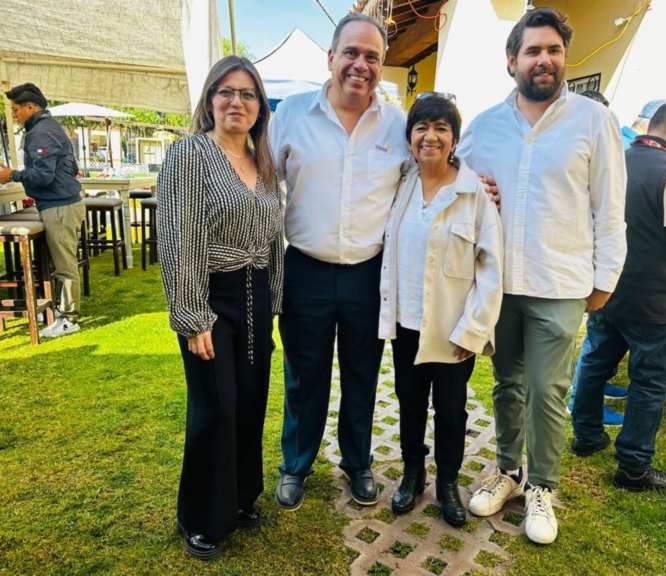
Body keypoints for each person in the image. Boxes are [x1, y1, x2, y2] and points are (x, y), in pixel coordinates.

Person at [457, 8, 627, 545]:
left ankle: (542, 487)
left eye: (553, 50)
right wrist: (473, 192)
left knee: (548, 392)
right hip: (500, 283)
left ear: (564, 58)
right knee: (507, 383)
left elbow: (610, 207)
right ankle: (509, 471)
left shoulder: (593, 121)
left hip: (560, 281)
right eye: (533, 51)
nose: (544, 59)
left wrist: (605, 278)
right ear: (512, 61)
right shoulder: (484, 126)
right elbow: (448, 185)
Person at [269, 14, 410, 512]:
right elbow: (259, 180)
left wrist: (477, 184)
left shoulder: (398, 125)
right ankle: (296, 464)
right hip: (304, 270)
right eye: (351, 52)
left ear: (381, 65)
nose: (360, 64)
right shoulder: (291, 114)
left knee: (362, 375)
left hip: (368, 275)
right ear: (331, 58)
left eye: (372, 56)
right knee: (303, 376)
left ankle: (357, 462)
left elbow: (426, 180)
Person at [156, 56, 283, 560]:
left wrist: (274, 300)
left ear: (260, 107)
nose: (237, 102)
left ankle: (242, 496)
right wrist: (191, 316)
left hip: (257, 296)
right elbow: (178, 238)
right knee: (216, 407)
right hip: (211, 295)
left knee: (251, 401)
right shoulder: (190, 155)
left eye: (248, 94)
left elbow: (273, 242)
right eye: (226, 91)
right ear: (210, 99)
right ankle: (202, 516)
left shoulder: (263, 162)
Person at [571, 100, 666, 492]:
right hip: (655, 298)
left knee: (595, 362)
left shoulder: (614, 161)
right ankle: (633, 467)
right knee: (648, 383)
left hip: (608, 288)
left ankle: (586, 435)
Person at [379, 95, 503, 527]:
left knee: (451, 410)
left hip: (453, 330)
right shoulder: (402, 184)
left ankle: (447, 482)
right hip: (406, 322)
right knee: (409, 402)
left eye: (441, 128)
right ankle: (412, 474)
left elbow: (491, 268)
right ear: (410, 137)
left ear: (454, 140)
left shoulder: (473, 194)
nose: (430, 136)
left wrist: (474, 329)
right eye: (421, 127)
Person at [0, 83, 85, 337]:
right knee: (61, 262)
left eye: (16, 110)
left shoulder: (41, 132)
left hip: (60, 205)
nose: (15, 115)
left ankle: (69, 319)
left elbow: (43, 176)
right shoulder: (50, 127)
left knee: (65, 266)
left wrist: (12, 174)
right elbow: (71, 168)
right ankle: (59, 310)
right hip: (62, 203)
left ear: (30, 107)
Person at [569, 89, 629, 427]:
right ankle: (578, 397)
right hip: (576, 265)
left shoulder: (609, 147)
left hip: (592, 262)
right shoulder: (571, 146)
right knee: (592, 340)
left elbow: (611, 212)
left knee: (593, 338)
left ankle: (588, 391)